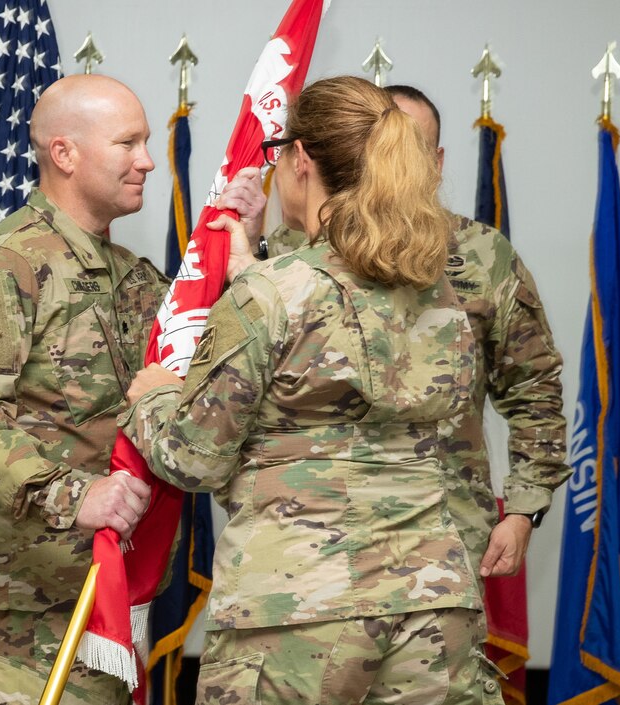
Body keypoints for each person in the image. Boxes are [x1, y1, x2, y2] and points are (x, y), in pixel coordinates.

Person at [119, 76, 505, 705]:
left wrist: (155, 396)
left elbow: (194, 456)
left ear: (301, 160)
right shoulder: (438, 292)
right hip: (434, 606)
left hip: (297, 610)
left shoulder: (274, 293)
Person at [263, 83, 571, 581]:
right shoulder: (287, 251)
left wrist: (522, 510)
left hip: (444, 534)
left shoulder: (482, 255)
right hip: (316, 536)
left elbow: (533, 388)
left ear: (438, 160)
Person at [0, 75, 167, 705]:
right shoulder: (2, 264)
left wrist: (241, 236)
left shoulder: (134, 278)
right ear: (64, 154)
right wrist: (72, 495)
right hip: (31, 605)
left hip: (113, 588)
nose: (147, 160)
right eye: (128, 142)